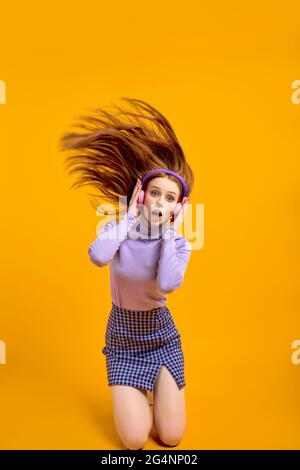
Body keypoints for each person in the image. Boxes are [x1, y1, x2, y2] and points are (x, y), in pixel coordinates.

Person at [59, 98, 194, 450]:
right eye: (155, 194)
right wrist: (130, 217)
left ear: (178, 207)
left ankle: (155, 393)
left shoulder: (179, 245)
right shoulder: (120, 231)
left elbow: (166, 283)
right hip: (122, 339)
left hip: (162, 337)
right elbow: (97, 257)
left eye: (170, 198)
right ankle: (138, 394)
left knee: (172, 437)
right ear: (142, 196)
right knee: (134, 441)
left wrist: (167, 232)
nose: (160, 203)